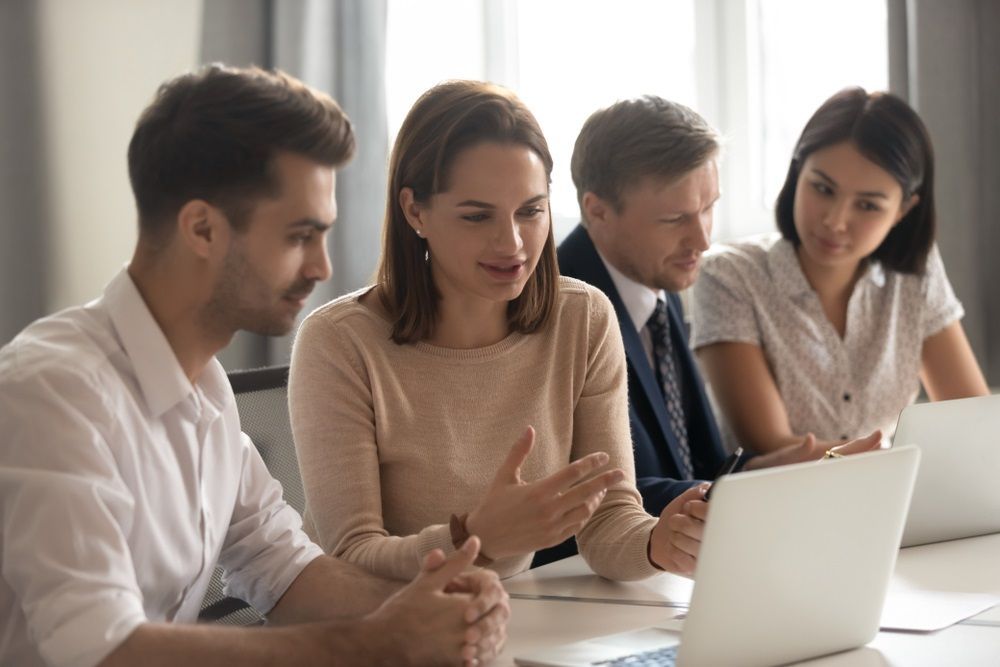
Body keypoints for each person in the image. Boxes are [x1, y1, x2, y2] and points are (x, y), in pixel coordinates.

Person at [0, 64, 508, 667]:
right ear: (203, 229)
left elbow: (286, 569)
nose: (323, 268)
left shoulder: (204, 387)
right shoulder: (53, 394)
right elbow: (102, 650)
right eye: (300, 236)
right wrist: (376, 641)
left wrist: (434, 607)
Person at [289, 80, 712, 585]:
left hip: (501, 621)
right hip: (377, 632)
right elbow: (350, 558)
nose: (512, 243)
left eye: (531, 211)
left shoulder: (583, 318)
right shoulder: (339, 342)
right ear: (414, 211)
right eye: (476, 215)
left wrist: (657, 542)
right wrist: (476, 537)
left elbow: (608, 522)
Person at [554, 95, 879, 529]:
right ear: (598, 211)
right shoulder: (560, 310)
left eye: (709, 208)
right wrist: (750, 488)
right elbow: (596, 491)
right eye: (675, 219)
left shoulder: (656, 282)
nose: (703, 240)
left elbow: (693, 470)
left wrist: (772, 471)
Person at [691, 88, 989, 454]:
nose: (835, 221)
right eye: (822, 188)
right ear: (798, 172)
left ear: (903, 211)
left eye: (867, 205)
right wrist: (891, 462)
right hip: (778, 502)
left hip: (889, 496)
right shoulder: (730, 275)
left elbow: (971, 422)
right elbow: (772, 447)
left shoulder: (916, 274)